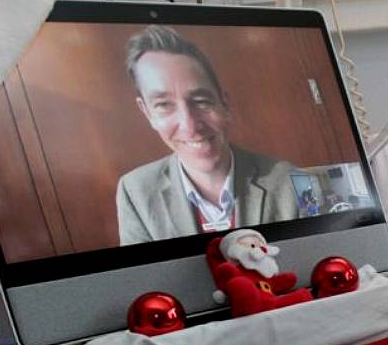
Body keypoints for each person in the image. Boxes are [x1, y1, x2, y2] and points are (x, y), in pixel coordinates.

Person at [116, 25, 300, 245]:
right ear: (147, 113)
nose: (190, 126)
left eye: (201, 101)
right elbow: (141, 278)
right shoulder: (134, 191)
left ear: (225, 104)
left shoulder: (290, 180)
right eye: (164, 105)